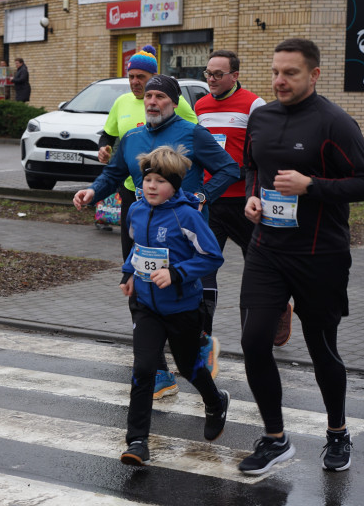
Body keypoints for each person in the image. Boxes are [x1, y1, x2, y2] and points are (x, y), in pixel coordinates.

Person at [237, 38, 364, 476]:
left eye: (291, 73)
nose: (280, 80)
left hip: (320, 256)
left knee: (322, 350)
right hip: (266, 251)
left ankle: (337, 431)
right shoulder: (260, 116)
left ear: (314, 75)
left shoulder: (335, 123)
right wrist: (250, 198)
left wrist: (311, 185)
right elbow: (252, 169)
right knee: (253, 341)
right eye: (276, 71)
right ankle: (275, 439)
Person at [73, 75, 238, 399]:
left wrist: (203, 196)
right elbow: (113, 174)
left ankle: (201, 343)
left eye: (160, 96)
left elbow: (229, 169)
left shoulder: (192, 133)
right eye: (149, 96)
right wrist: (92, 191)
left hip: (182, 231)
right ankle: (159, 371)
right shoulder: (132, 137)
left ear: (174, 103)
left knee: (186, 294)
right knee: (139, 291)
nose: (152, 101)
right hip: (143, 227)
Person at [118, 146, 230, 466]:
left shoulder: (187, 215)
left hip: (182, 308)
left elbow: (212, 256)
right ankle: (137, 441)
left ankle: (215, 401)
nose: (151, 186)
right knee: (143, 369)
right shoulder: (137, 210)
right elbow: (138, 248)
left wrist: (177, 273)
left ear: (175, 186)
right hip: (146, 306)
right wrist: (129, 273)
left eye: (159, 181)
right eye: (148, 180)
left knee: (188, 365)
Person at [194, 51, 293, 347]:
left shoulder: (254, 105)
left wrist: (250, 184)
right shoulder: (199, 106)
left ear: (234, 76)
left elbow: (265, 154)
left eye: (217, 75)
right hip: (211, 201)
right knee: (204, 266)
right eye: (207, 74)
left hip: (245, 202)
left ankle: (278, 309)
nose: (210, 80)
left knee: (261, 265)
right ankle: (202, 334)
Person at [98, 46, 198, 261]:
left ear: (153, 76)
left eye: (140, 77)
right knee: (131, 253)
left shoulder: (171, 101)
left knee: (161, 251)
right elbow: (108, 134)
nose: (134, 81)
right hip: (131, 191)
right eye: (131, 76)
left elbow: (194, 132)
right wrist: (104, 148)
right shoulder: (121, 102)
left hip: (165, 191)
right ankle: (134, 290)